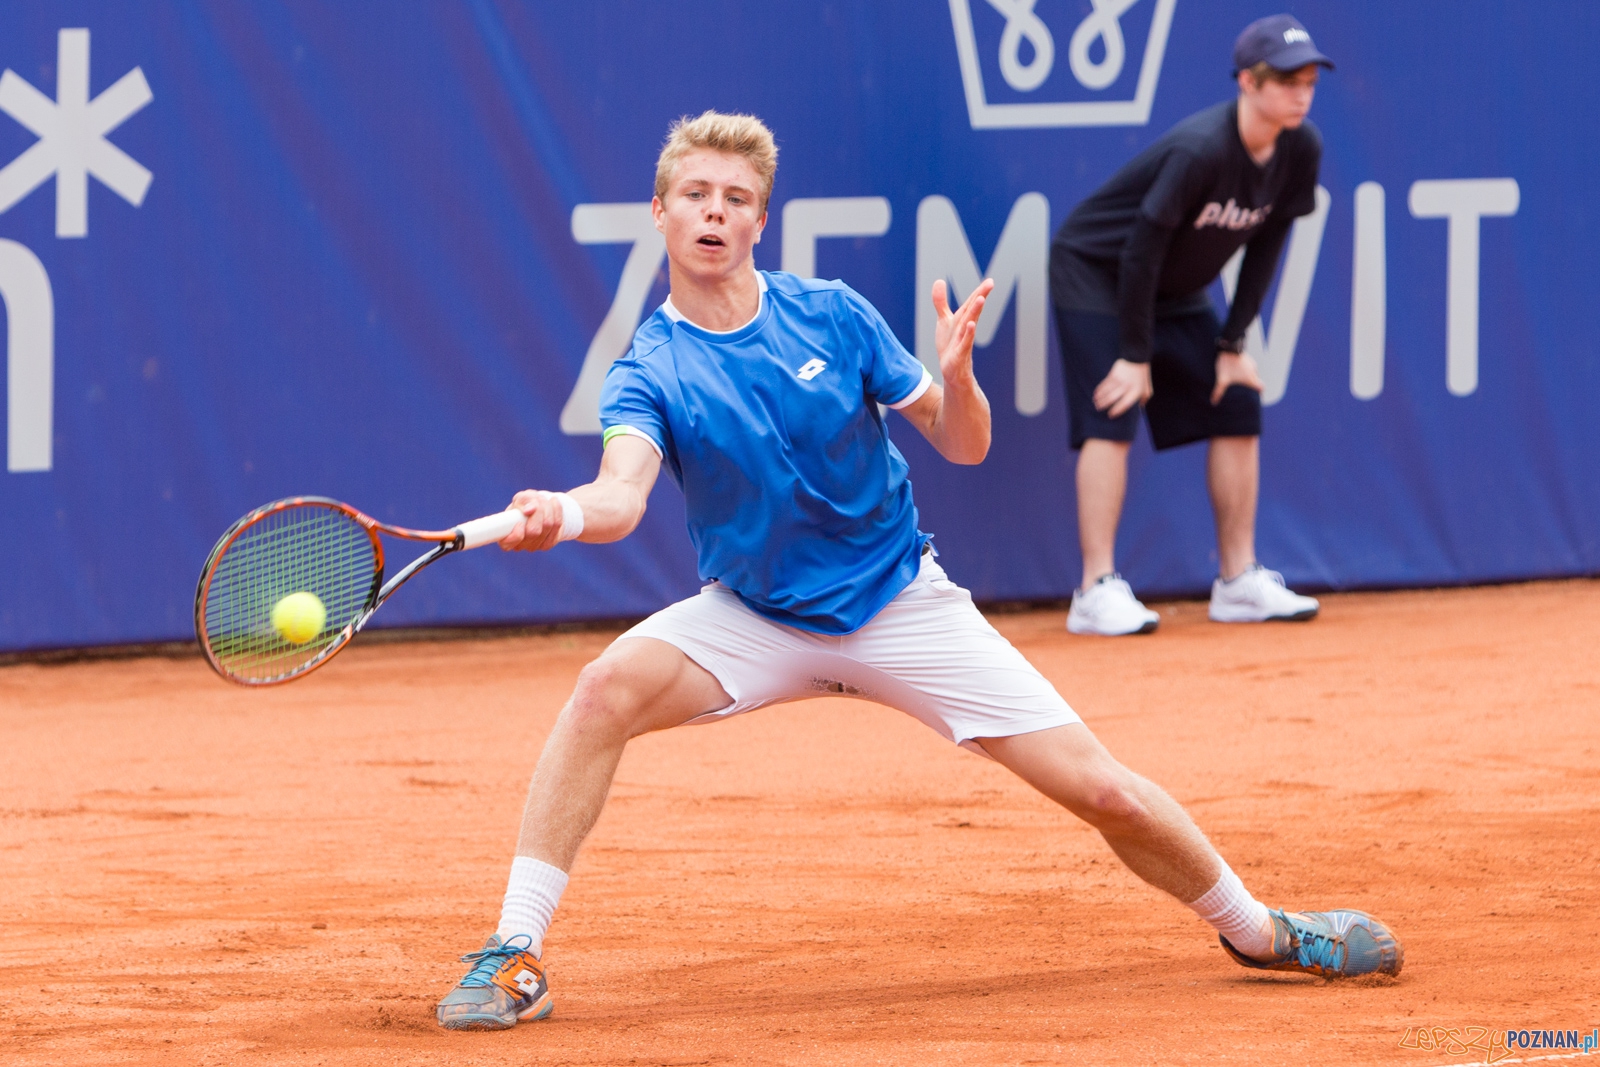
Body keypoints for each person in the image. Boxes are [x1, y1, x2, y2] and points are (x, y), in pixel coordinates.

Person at [434, 109, 1401, 1031]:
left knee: (1103, 790)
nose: (715, 211)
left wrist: (961, 380)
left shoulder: (832, 314)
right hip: (756, 616)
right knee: (603, 688)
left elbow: (963, 442)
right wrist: (559, 514)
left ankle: (1262, 930)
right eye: (695, 194)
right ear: (662, 212)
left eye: (735, 196)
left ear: (762, 218)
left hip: (901, 601)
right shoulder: (648, 367)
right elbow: (622, 496)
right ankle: (513, 951)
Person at [1050, 14, 1332, 636]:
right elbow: (1140, 248)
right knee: (1113, 406)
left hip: (1174, 288)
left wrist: (1232, 344)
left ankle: (1237, 582)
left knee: (1234, 399)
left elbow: (1267, 243)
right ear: (1248, 83)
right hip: (1097, 271)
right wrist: (1133, 352)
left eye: (1309, 79)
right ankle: (1094, 589)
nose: (1301, 91)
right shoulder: (1201, 149)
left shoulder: (1300, 147)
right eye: (1287, 79)